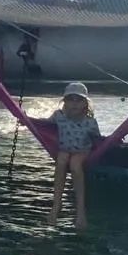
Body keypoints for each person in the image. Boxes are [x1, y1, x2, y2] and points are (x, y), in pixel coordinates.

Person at [50, 82, 101, 230]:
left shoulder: (90, 122)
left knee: (75, 165)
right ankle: (56, 204)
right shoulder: (58, 116)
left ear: (85, 103)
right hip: (64, 149)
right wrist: (26, 120)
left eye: (78, 100)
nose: (74, 103)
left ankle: (80, 211)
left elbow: (98, 141)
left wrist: (113, 141)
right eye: (70, 99)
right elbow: (42, 125)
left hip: (82, 151)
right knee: (61, 160)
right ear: (64, 102)